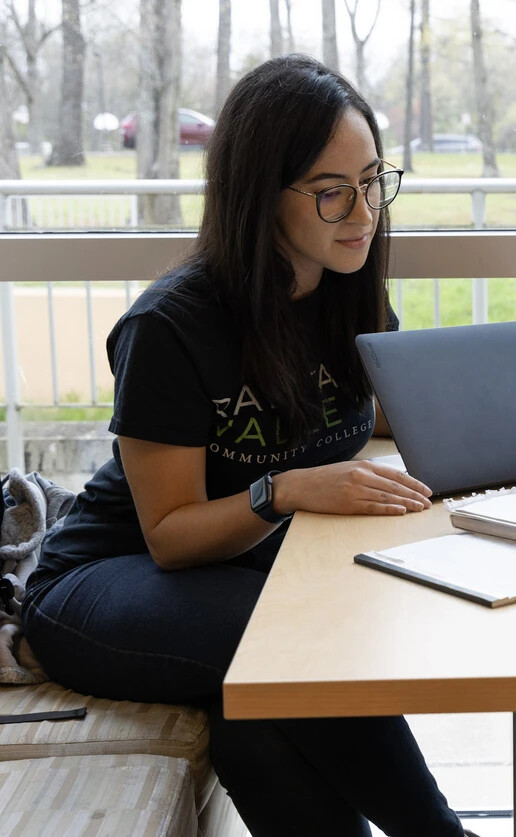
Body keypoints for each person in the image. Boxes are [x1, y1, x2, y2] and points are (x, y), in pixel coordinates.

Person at [21, 55, 468, 837]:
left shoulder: (344, 294)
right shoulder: (170, 328)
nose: (361, 211)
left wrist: (489, 422)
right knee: (288, 632)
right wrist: (285, 488)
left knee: (252, 714)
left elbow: (379, 415)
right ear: (262, 197)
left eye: (372, 180)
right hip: (101, 580)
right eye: (331, 192)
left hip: (231, 576)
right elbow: (170, 535)